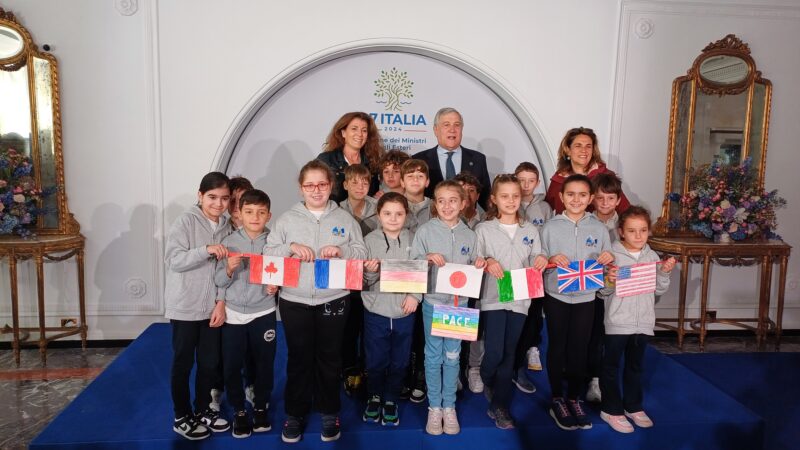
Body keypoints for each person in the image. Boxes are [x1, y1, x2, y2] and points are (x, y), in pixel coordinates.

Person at [264, 160, 367, 443]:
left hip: (333, 298)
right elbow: (270, 251)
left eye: (322, 184)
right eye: (310, 185)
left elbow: (360, 252)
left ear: (331, 186)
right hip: (294, 299)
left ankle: (328, 412)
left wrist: (342, 249)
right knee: (298, 358)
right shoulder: (287, 220)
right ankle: (294, 414)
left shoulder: (345, 219)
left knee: (330, 358)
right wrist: (290, 248)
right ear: (301, 189)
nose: (316, 190)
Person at [411, 180, 485, 436]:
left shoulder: (470, 234)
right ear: (434, 204)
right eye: (441, 201)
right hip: (433, 303)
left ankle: (449, 406)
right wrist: (426, 258)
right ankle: (434, 408)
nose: (447, 206)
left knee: (453, 356)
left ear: (464, 203)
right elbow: (412, 265)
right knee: (432, 356)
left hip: (459, 305)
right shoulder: (425, 231)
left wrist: (479, 262)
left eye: (453, 200)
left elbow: (476, 262)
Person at [541, 174, 614, 431]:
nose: (576, 199)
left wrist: (608, 258)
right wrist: (550, 258)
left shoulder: (599, 229)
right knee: (557, 346)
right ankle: (557, 398)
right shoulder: (549, 228)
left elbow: (608, 266)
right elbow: (538, 260)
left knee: (579, 349)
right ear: (561, 197)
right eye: (570, 194)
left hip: (586, 297)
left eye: (583, 195)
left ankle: (574, 396)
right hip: (556, 295)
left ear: (591, 198)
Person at [475, 174, 548, 429]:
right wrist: (487, 261)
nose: (510, 201)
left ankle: (500, 407)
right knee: (494, 353)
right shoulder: (483, 229)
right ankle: (486, 377)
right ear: (494, 199)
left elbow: (538, 254)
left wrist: (541, 259)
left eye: (515, 196)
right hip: (494, 298)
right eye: (504, 196)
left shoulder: (530, 230)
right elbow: (476, 257)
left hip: (520, 298)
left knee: (509, 354)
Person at [164, 171, 232, 440]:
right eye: (213, 197)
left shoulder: (227, 227)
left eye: (224, 198)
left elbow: (225, 270)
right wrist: (205, 250)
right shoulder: (185, 222)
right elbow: (174, 260)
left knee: (209, 363)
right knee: (183, 363)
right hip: (185, 306)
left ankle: (203, 409)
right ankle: (181, 415)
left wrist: (220, 303)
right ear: (200, 195)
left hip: (212, 309)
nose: (218, 203)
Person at [599, 206, 676, 433]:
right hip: (617, 322)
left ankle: (633, 405)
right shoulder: (611, 255)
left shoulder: (652, 256)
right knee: (610, 366)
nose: (638, 236)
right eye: (632, 231)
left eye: (643, 230)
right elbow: (601, 292)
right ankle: (611, 409)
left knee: (635, 366)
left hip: (642, 322)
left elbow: (659, 289)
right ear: (621, 231)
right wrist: (610, 279)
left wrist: (665, 273)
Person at [215, 189, 277, 438]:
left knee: (264, 365)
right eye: (249, 212)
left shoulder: (274, 242)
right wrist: (229, 271)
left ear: (269, 215)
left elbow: (284, 275)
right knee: (231, 366)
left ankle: (260, 406)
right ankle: (239, 410)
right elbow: (219, 280)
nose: (255, 217)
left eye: (261, 212)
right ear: (239, 213)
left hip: (264, 311)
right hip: (234, 314)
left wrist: (277, 285)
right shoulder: (229, 243)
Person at [361, 193, 419, 426]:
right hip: (376, 310)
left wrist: (415, 295)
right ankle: (374, 396)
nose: (393, 218)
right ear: (378, 215)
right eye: (387, 213)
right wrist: (371, 272)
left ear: (407, 215)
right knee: (375, 359)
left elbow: (422, 270)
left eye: (399, 214)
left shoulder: (415, 239)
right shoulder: (369, 241)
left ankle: (391, 398)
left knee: (400, 360)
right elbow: (362, 279)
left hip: (405, 310)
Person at [585, 171, 625, 403]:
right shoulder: (586, 222)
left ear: (618, 200)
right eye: (600, 198)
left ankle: (605, 378)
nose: (605, 203)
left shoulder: (626, 224)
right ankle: (592, 379)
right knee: (593, 337)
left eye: (610, 198)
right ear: (592, 199)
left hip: (618, 291)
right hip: (592, 290)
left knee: (615, 337)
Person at [338, 164, 377, 397]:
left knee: (371, 328)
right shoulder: (336, 210)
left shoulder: (381, 207)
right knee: (348, 328)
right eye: (355, 182)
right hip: (346, 278)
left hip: (373, 277)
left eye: (365, 182)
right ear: (345, 185)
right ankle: (349, 369)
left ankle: (369, 370)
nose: (360, 186)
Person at [512, 162, 552, 382]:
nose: (526, 185)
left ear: (537, 183)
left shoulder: (544, 208)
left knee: (533, 315)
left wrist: (542, 257)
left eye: (531, 180)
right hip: (513, 271)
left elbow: (547, 238)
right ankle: (512, 361)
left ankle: (531, 348)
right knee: (513, 316)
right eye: (521, 180)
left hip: (535, 272)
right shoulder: (509, 203)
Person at [412, 107, 492, 209]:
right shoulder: (419, 160)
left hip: (468, 222)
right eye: (446, 125)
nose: (452, 130)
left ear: (462, 129)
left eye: (457, 125)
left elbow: (485, 198)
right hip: (429, 219)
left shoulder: (478, 159)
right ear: (436, 130)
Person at [224, 175, 257, 408]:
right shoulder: (219, 232)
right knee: (224, 352)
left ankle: (252, 385)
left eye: (242, 200)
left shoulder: (263, 230)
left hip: (256, 303)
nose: (237, 207)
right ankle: (218, 390)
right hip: (225, 302)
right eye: (232, 201)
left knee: (253, 350)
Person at [544, 127, 630, 214]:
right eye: (578, 146)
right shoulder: (558, 180)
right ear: (568, 150)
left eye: (588, 146)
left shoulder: (606, 176)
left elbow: (626, 212)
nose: (584, 150)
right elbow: (545, 211)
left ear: (593, 151)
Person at [317, 112, 385, 203]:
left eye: (364, 130)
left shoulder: (372, 161)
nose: (360, 134)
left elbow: (372, 194)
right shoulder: (326, 160)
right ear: (343, 133)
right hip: (334, 214)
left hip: (364, 216)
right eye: (354, 129)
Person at [401, 159, 432, 233]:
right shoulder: (393, 206)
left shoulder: (436, 208)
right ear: (402, 182)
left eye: (420, 176)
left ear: (427, 182)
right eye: (410, 176)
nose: (415, 179)